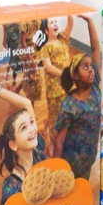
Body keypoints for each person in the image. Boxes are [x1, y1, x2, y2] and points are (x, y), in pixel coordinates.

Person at [50, 16, 101, 180]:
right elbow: (59, 142)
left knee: (83, 187)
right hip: (72, 161)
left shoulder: (94, 87)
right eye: (85, 67)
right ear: (75, 76)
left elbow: (96, 50)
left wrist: (90, 22)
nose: (91, 70)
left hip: (90, 155)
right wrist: (55, 172)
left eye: (91, 66)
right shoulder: (69, 105)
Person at [38, 15, 74, 149]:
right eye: (51, 22)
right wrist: (64, 74)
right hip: (54, 90)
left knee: (64, 112)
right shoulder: (45, 48)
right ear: (46, 31)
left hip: (66, 87)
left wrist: (68, 11)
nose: (55, 24)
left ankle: (48, 125)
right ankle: (54, 143)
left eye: (55, 21)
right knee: (55, 117)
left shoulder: (63, 39)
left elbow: (70, 24)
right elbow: (48, 67)